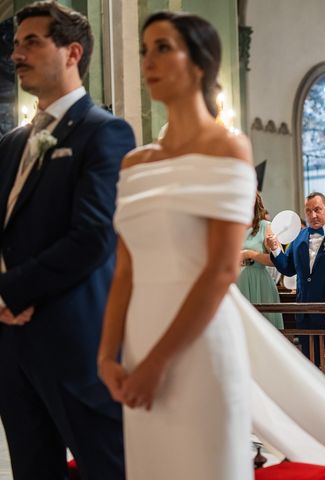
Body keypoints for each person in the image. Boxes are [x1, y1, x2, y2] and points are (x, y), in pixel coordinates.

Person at [98, 11, 256, 479]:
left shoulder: (228, 147)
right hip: (139, 343)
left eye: (163, 48)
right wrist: (108, 355)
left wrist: (156, 363)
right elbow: (125, 269)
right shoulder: (133, 164)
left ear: (201, 62)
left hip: (200, 346)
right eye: (144, 50)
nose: (148, 61)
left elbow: (222, 271)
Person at [0, 3, 135, 479]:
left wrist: (12, 291)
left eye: (31, 42)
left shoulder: (106, 132)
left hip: (75, 340)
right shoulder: (12, 143)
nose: (16, 53)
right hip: (12, 345)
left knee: (107, 468)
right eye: (15, 44)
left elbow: (93, 236)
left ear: (72, 52)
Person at [266, 192, 325, 394]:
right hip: (305, 310)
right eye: (308, 211)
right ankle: (315, 401)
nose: (313, 215)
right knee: (309, 361)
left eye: (317, 209)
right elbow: (288, 268)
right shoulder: (299, 238)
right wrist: (277, 250)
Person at [237, 192, 283, 329]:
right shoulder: (234, 228)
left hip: (258, 281)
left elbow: (277, 260)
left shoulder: (265, 226)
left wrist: (248, 254)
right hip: (236, 281)